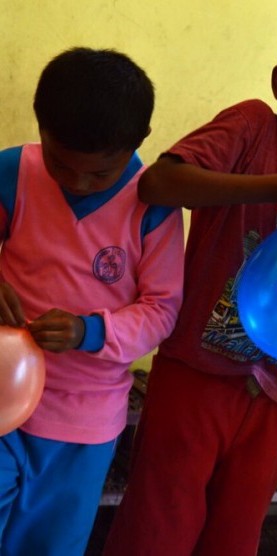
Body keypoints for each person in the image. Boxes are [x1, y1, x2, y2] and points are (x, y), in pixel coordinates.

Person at [103, 3, 277, 554]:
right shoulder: (252, 125)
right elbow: (161, 183)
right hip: (196, 373)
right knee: (159, 525)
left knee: (236, 533)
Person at [0, 47, 184, 555]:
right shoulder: (13, 172)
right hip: (1, 398)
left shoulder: (154, 206)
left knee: (52, 544)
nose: (78, 182)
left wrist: (91, 332)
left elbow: (162, 310)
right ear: (41, 128)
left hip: (84, 420)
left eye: (99, 175)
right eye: (61, 164)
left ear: (138, 141)